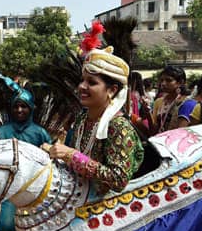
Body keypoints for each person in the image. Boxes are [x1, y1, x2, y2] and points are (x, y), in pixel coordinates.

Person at [48, 48, 144, 194]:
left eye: (91, 83)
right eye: (82, 80)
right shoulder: (82, 118)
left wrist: (71, 155)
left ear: (112, 90)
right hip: (76, 196)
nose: (81, 87)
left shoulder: (118, 126)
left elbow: (119, 179)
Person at [0, 75, 51, 231]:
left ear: (31, 109)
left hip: (35, 191)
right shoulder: (2, 131)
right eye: (16, 106)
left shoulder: (40, 133)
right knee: (6, 227)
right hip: (11, 190)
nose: (19, 110)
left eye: (24, 106)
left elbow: (48, 161)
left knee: (35, 230)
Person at [150, 65, 187, 134]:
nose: (163, 84)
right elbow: (154, 129)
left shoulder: (185, 102)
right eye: (161, 80)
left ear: (180, 82)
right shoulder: (159, 102)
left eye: (168, 80)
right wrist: (148, 114)